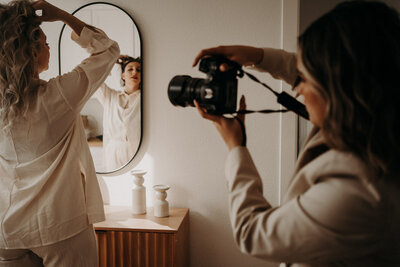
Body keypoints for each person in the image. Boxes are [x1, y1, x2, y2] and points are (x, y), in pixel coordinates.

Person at [193, 1, 400, 266]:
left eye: (302, 78)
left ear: (337, 86)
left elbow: (252, 233)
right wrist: (256, 56)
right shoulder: (375, 124)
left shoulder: (358, 193)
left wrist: (236, 148)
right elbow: (309, 67)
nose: (297, 89)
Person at [0, 0, 119, 266]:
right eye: (45, 43)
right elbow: (108, 50)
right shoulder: (59, 96)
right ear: (32, 52)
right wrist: (63, 16)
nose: (49, 48)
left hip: (6, 229)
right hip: (60, 226)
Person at [93, 55, 141, 171]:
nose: (135, 72)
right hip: (113, 154)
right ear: (123, 75)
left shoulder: (145, 99)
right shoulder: (110, 97)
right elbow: (94, 77)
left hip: (138, 152)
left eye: (138, 70)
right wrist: (109, 60)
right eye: (130, 69)